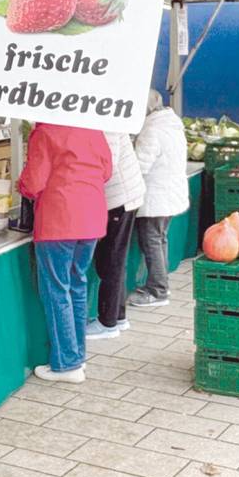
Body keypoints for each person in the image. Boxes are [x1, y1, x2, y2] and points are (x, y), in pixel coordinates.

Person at [18, 123, 112, 383]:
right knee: (77, 285)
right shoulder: (93, 128)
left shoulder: (46, 131)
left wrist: (21, 185)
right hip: (92, 217)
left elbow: (35, 182)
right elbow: (106, 171)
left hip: (59, 218)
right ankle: (77, 357)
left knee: (57, 290)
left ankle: (67, 363)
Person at [127, 90, 190, 308]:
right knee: (160, 238)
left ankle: (157, 290)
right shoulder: (172, 125)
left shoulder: (151, 130)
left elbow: (140, 165)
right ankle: (161, 284)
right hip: (170, 195)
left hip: (156, 196)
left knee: (152, 241)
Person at [85, 132, 145, 340]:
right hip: (123, 195)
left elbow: (106, 164)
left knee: (112, 260)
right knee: (114, 258)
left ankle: (107, 322)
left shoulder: (106, 122)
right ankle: (118, 316)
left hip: (119, 198)